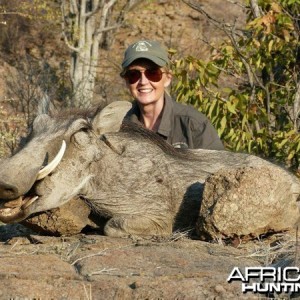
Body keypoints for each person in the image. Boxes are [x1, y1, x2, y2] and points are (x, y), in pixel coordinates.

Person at [120, 40, 224, 150]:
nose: (143, 81)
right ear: (126, 81)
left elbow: (220, 165)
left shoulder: (193, 124)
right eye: (134, 75)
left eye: (153, 73)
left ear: (168, 79)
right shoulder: (118, 126)